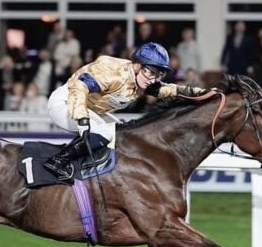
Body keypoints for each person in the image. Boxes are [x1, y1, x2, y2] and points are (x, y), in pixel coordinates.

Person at [44, 42, 207, 181]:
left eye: (157, 75)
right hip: (66, 103)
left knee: (122, 132)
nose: (153, 80)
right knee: (103, 133)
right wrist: (82, 118)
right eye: (151, 72)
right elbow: (80, 86)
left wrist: (203, 93)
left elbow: (170, 90)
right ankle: (57, 161)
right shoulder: (114, 73)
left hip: (89, 108)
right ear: (138, 65)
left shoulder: (141, 78)